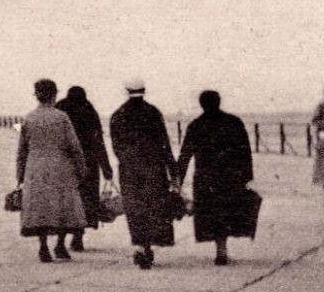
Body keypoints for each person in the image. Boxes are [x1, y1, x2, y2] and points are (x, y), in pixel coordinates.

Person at [176, 91, 256, 265]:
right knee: (226, 212)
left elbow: (185, 155)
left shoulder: (196, 125)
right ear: (219, 102)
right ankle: (222, 247)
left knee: (211, 213)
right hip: (229, 176)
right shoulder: (234, 122)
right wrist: (247, 175)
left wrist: (178, 180)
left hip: (206, 177)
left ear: (201, 104)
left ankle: (220, 248)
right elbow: (245, 151)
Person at [109, 79, 178, 270]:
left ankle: (140, 246)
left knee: (134, 208)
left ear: (127, 91)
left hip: (129, 169)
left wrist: (127, 160)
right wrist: (173, 171)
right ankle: (147, 246)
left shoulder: (118, 115)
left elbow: (116, 147)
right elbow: (164, 143)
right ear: (144, 91)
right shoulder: (153, 112)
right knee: (152, 207)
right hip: (154, 168)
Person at [17, 79, 88, 263]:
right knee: (62, 206)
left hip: (35, 167)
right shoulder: (61, 117)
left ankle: (43, 247)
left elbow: (22, 149)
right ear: (54, 94)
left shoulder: (28, 118)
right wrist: (82, 168)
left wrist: (19, 174)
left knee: (41, 207)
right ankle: (60, 246)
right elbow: (74, 146)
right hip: (60, 166)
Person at [55, 85, 114, 252]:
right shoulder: (89, 110)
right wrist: (106, 167)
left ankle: (60, 241)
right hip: (88, 163)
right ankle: (78, 238)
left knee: (65, 202)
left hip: (64, 162)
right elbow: (98, 141)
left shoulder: (60, 108)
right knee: (85, 201)